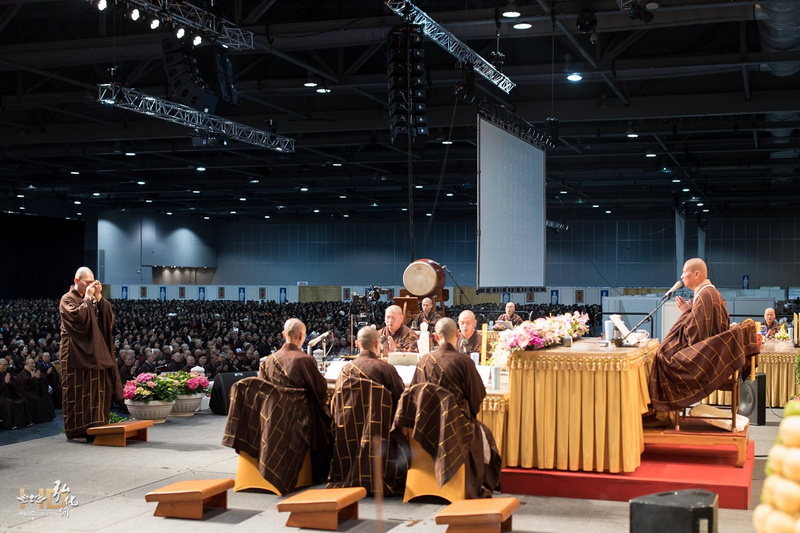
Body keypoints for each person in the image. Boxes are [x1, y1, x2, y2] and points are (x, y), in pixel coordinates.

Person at [222, 318, 332, 493]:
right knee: (327, 419)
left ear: (283, 335)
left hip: (270, 415)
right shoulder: (305, 360)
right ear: (302, 336)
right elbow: (319, 391)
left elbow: (261, 388)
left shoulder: (269, 360)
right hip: (297, 415)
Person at [404, 317, 501, 499]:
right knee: (484, 434)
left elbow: (413, 394)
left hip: (425, 427)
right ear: (457, 335)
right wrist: (468, 415)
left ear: (434, 337)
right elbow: (476, 396)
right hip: (456, 427)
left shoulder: (423, 361)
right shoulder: (464, 362)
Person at [648, 258, 759, 411]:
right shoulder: (709, 293)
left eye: (684, 273)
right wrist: (689, 313)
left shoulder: (705, 296)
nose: (681, 277)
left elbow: (696, 336)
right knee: (663, 353)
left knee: (663, 357)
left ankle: (661, 411)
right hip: (715, 353)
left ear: (696, 274)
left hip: (708, 359)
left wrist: (686, 313)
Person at [328, 326, 408, 495]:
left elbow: (336, 401)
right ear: (378, 344)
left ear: (357, 344)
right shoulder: (386, 369)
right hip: (379, 433)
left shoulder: (346, 370)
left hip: (349, 433)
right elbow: (401, 400)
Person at [59, 267, 123, 443]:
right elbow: (77, 319)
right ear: (76, 281)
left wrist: (99, 298)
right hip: (75, 353)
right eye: (87, 283)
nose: (91, 286)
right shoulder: (67, 299)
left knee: (97, 388)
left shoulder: (93, 299)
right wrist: (88, 298)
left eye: (93, 282)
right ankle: (76, 430)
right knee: (77, 391)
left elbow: (108, 319)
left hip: (95, 351)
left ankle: (97, 426)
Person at [16, 357, 55, 423]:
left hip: (35, 390)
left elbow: (41, 377)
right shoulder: (23, 373)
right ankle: (38, 419)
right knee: (38, 400)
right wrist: (35, 378)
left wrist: (39, 378)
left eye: (34, 363)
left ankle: (48, 416)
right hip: (27, 392)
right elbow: (25, 382)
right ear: (26, 364)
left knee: (46, 396)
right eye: (31, 363)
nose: (33, 364)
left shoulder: (35, 370)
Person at [0, 358, 32, 430]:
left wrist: (10, 382)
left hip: (10, 394)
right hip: (1, 397)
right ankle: (10, 424)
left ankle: (24, 422)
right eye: (4, 365)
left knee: (23, 400)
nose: (6, 367)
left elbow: (13, 384)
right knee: (9, 403)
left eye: (7, 365)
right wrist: (5, 382)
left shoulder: (6, 373)